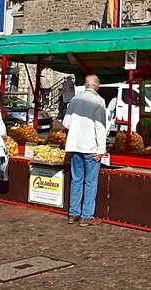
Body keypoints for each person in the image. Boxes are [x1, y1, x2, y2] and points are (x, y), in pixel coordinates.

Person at [63, 74, 107, 226]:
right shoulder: (99, 101)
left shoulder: (74, 100)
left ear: (85, 85)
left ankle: (73, 213)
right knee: (90, 182)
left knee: (77, 180)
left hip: (75, 146)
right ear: (97, 86)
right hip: (91, 146)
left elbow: (66, 123)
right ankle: (86, 216)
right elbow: (100, 127)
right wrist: (101, 149)